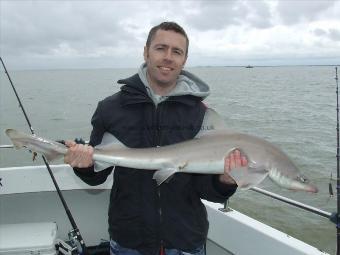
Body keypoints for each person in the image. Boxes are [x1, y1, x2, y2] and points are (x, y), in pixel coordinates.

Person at [64, 21, 247, 255]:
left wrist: (225, 181)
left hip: (185, 239)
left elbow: (205, 190)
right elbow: (97, 176)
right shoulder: (111, 108)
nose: (168, 57)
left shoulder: (201, 113)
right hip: (129, 240)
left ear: (184, 60)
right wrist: (85, 165)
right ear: (146, 51)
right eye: (161, 48)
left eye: (177, 51)